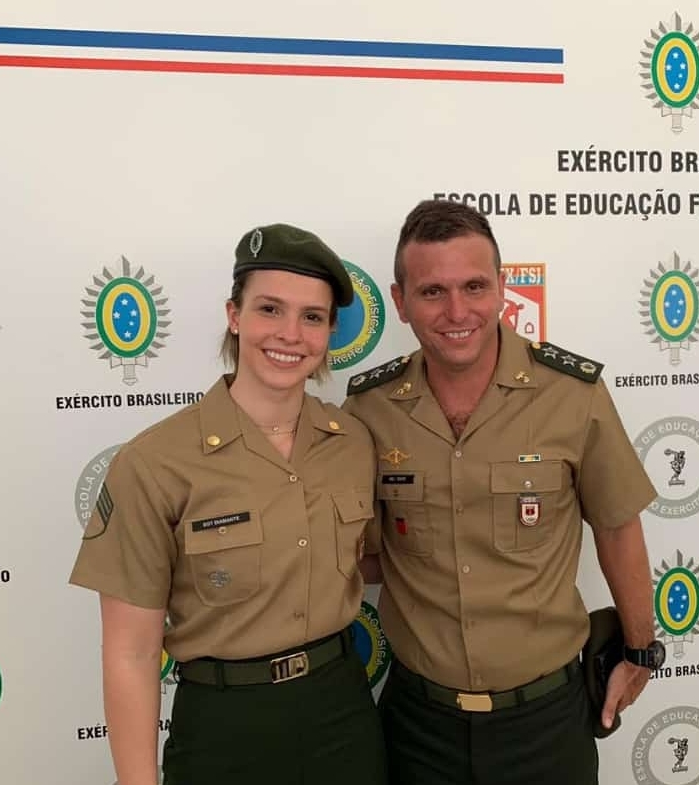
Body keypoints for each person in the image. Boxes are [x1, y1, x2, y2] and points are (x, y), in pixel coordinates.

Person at [342, 200, 662, 785]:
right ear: (400, 302)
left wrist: (641, 651)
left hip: (546, 722)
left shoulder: (572, 395)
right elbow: (358, 551)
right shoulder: (369, 409)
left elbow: (617, 526)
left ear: (502, 288)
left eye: (474, 286)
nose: (456, 311)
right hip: (418, 724)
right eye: (432, 292)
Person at [69, 223, 387, 785]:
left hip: (342, 711)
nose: (290, 334)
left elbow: (377, 559)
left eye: (312, 317)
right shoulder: (155, 462)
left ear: (329, 333)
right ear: (234, 315)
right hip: (224, 725)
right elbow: (131, 653)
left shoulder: (353, 443)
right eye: (270, 309)